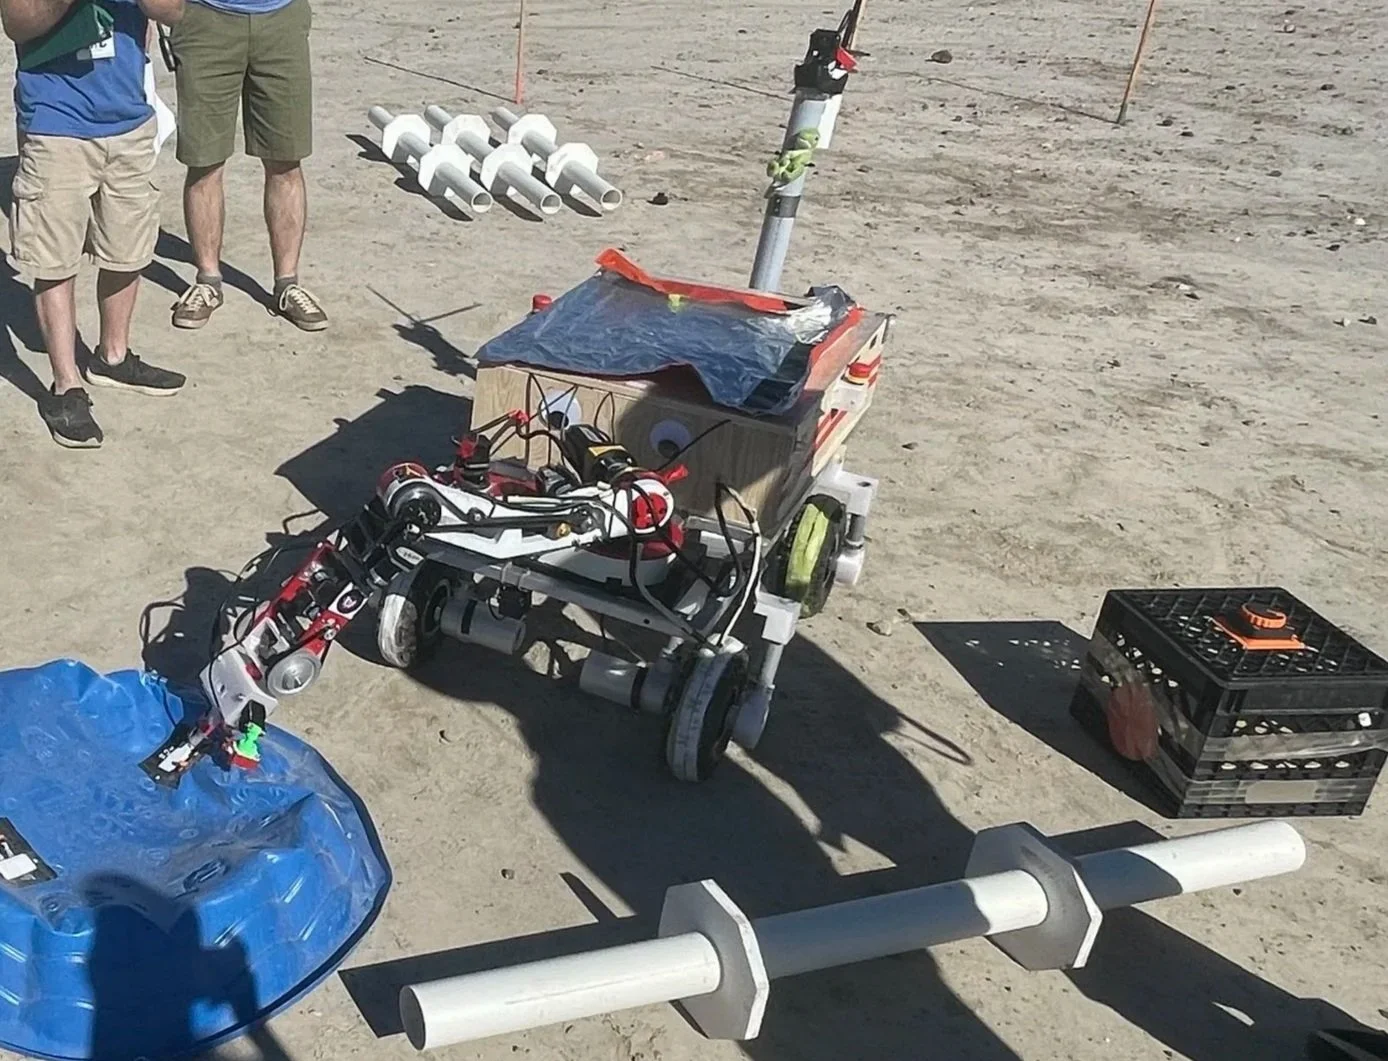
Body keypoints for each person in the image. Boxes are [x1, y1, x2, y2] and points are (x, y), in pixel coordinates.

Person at [3, 0, 187, 448]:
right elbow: (17, 23)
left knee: (129, 248)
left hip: (129, 120)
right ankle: (65, 384)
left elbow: (174, 11)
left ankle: (113, 356)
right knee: (54, 259)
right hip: (56, 123)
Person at [167, 0, 326, 332]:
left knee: (285, 159)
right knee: (204, 160)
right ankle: (208, 281)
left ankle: (287, 284)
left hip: (282, 19)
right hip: (205, 20)